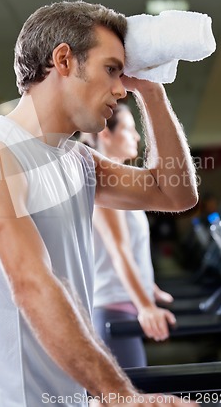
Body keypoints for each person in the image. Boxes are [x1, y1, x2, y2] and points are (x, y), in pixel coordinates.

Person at [0, 0, 198, 407]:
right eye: (112, 69)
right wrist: (119, 394)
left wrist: (152, 89)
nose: (121, 88)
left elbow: (174, 193)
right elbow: (30, 281)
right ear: (64, 60)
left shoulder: (77, 160)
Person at [81, 103, 176, 369]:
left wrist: (149, 287)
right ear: (105, 134)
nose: (136, 137)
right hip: (113, 310)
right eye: (129, 129)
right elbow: (118, 251)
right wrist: (146, 306)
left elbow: (128, 250)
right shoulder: (106, 183)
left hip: (120, 305)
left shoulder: (118, 184)